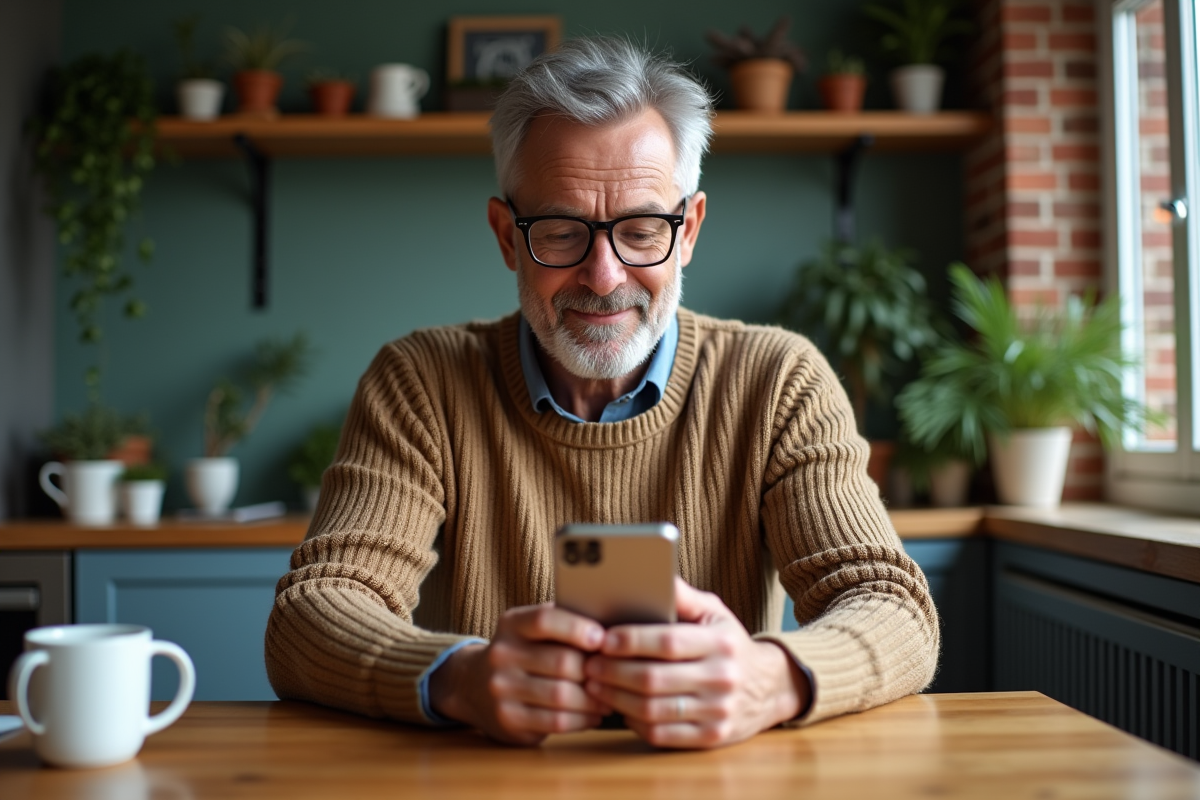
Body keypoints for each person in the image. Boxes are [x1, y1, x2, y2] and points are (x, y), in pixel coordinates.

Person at [265, 37, 938, 750]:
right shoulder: (421, 382)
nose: (605, 276)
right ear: (506, 237)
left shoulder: (779, 382)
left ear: (689, 231)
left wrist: (770, 678)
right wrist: (457, 677)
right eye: (560, 232)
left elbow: (892, 607)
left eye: (642, 230)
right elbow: (314, 612)